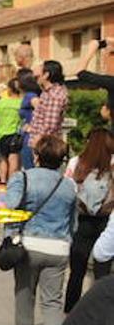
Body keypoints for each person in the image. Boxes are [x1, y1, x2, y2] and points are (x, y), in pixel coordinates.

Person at [3, 133, 78, 325]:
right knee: (53, 301)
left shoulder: (22, 178)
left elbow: (11, 209)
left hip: (29, 245)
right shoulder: (69, 185)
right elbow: (73, 223)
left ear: (36, 156)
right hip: (59, 248)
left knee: (25, 296)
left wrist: (10, 237)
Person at [65, 128, 114, 313]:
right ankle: (101, 313)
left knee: (76, 272)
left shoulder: (76, 162)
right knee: (103, 272)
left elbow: (67, 189)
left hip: (82, 221)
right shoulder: (113, 163)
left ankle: (71, 311)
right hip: (107, 222)